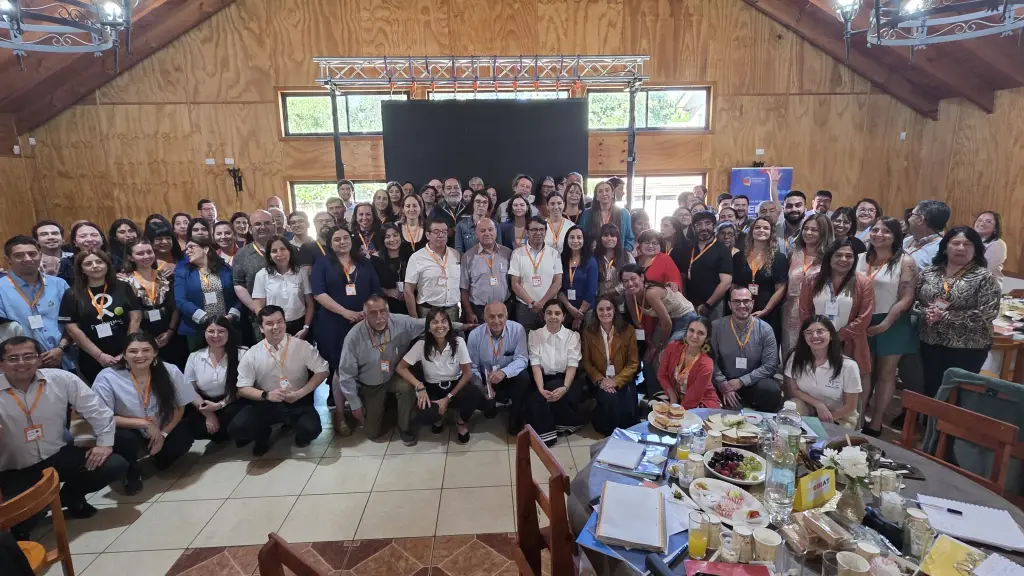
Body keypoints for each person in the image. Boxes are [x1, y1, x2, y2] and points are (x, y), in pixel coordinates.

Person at [0, 336, 129, 535]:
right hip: (15, 468)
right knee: (20, 522)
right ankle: (38, 509)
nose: (22, 363)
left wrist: (104, 443)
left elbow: (98, 412)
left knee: (113, 465)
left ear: (39, 358)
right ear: (2, 363)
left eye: (28, 356)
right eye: (13, 358)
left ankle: (70, 496)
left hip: (56, 454)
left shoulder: (61, 379)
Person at [93, 332, 196, 494]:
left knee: (185, 435)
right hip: (129, 428)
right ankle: (130, 471)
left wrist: (163, 434)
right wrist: (144, 423)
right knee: (123, 439)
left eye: (146, 350)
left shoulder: (170, 370)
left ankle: (158, 456)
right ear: (124, 355)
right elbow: (102, 417)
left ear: (155, 352)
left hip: (161, 426)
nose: (139, 355)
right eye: (133, 351)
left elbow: (179, 407)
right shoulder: (107, 377)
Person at [336, 296, 442, 444]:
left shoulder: (400, 322)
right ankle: (380, 409)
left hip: (393, 376)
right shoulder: (354, 337)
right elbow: (346, 374)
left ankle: (404, 427)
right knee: (372, 433)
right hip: (370, 384)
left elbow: (431, 324)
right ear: (365, 315)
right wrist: (355, 404)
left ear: (388, 311)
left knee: (407, 387)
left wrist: (462, 326)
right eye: (373, 313)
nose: (379, 317)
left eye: (383, 311)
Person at [230, 306, 330, 455]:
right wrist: (266, 395)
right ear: (261, 328)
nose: (276, 327)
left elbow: (323, 370)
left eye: (280, 322)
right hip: (266, 402)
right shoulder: (252, 354)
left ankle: (297, 431)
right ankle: (263, 435)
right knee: (237, 427)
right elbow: (242, 388)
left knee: (311, 429)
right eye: (269, 323)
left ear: (285, 323)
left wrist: (300, 393)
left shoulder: (301, 346)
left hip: (297, 399)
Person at [915, 226, 1001, 398]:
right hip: (930, 341)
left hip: (967, 346)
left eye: (967, 244)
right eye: (955, 243)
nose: (961, 248)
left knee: (960, 394)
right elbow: (914, 302)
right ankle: (930, 424)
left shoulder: (985, 277)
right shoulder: (929, 273)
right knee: (932, 388)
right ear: (946, 247)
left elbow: (988, 313)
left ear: (976, 249)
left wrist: (945, 316)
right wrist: (926, 312)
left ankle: (951, 425)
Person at [857, 217, 918, 437]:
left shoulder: (905, 262)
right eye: (875, 230)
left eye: (886, 231)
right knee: (863, 371)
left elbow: (906, 297)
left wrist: (886, 323)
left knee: (886, 373)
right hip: (863, 319)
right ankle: (858, 415)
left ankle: (876, 422)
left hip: (892, 321)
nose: (879, 234)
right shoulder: (859, 259)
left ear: (895, 236)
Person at [311, 226, 382, 398]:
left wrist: (367, 311)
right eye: (337, 239)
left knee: (365, 362)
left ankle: (362, 403)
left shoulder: (363, 262)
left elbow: (375, 290)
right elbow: (319, 294)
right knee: (340, 365)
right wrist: (345, 312)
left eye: (345, 238)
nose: (342, 242)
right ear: (330, 243)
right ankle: (340, 411)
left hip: (364, 321)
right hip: (334, 323)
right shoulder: (322, 263)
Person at [397, 308, 482, 444]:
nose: (440, 326)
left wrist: (448, 398)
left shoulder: (459, 342)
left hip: (455, 386)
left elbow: (467, 373)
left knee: (474, 394)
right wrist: (419, 385)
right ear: (429, 328)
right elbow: (401, 368)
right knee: (425, 416)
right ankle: (439, 417)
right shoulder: (421, 345)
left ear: (449, 325)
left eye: (444, 321)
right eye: (435, 322)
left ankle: (460, 421)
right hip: (433, 387)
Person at [61, 249, 142, 384]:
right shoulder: (72, 294)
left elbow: (136, 318)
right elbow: (72, 329)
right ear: (81, 269)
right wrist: (99, 356)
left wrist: (128, 350)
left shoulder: (123, 287)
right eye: (88, 264)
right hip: (91, 357)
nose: (95, 266)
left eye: (99, 262)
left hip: (127, 352)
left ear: (107, 265)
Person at [799, 238, 874, 382]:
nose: (844, 259)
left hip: (851, 341)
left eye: (849, 256)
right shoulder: (811, 281)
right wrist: (818, 335)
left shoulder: (863, 283)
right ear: (829, 257)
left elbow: (864, 317)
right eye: (838, 255)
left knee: (852, 382)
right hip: (816, 341)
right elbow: (804, 312)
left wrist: (838, 337)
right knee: (817, 380)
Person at [621, 263, 696, 394]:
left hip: (685, 319)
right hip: (667, 321)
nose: (630, 284)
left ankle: (671, 396)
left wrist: (660, 346)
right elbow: (637, 322)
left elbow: (666, 324)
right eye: (625, 281)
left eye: (633, 279)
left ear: (642, 277)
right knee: (647, 359)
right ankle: (654, 395)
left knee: (664, 356)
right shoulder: (629, 294)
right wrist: (650, 344)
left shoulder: (651, 293)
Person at [0, 236, 71, 369]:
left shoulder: (59, 284)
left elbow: (72, 322)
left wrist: (61, 348)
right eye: (19, 255)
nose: (27, 259)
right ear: (8, 260)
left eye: (32, 254)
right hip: (22, 366)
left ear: (40, 255)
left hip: (63, 358)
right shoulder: (1, 288)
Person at [711, 287, 782, 412]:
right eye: (737, 301)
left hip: (754, 381)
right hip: (726, 381)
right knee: (731, 414)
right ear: (729, 305)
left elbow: (770, 365)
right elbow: (711, 360)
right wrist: (723, 384)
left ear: (753, 303)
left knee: (771, 390)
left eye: (746, 301)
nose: (742, 305)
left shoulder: (765, 329)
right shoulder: (716, 327)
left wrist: (742, 381)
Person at [784, 316, 861, 428]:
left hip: (839, 416)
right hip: (808, 407)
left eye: (820, 331)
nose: (814, 336)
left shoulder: (848, 366)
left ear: (831, 336)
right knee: (790, 414)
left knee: (825, 442)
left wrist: (824, 420)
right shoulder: (796, 357)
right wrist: (818, 404)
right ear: (803, 337)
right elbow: (795, 390)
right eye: (809, 332)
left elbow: (851, 405)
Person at [466, 301, 531, 434]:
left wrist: (503, 372)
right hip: (486, 379)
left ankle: (515, 415)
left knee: (524, 378)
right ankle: (490, 404)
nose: (496, 321)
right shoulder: (475, 335)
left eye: (500, 316)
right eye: (492, 316)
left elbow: (522, 359)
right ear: (484, 318)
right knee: (484, 403)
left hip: (507, 376)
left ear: (506, 316)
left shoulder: (517, 330)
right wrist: (482, 387)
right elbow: (472, 368)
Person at [119, 239, 184, 368]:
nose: (146, 256)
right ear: (130, 257)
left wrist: (170, 332)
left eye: (149, 252)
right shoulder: (123, 281)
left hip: (170, 334)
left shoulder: (166, 277)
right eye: (140, 253)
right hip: (141, 338)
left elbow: (176, 307)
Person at [526, 300, 583, 446]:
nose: (553, 317)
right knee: (537, 398)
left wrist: (565, 387)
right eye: (549, 313)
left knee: (549, 395)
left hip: (567, 379)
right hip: (542, 379)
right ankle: (550, 433)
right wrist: (540, 388)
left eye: (557, 313)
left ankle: (549, 433)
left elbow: (572, 365)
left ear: (563, 317)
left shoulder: (572, 336)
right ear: (544, 316)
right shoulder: (535, 335)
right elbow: (536, 365)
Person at [580, 296, 639, 436]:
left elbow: (633, 363)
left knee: (628, 418)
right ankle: (606, 429)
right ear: (596, 312)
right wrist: (601, 381)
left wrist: (615, 381)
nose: (605, 313)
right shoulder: (588, 332)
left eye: (608, 309)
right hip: (600, 380)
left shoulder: (628, 330)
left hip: (622, 378)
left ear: (614, 311)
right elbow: (586, 362)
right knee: (610, 401)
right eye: (601, 309)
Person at [183, 316, 247, 442]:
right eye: (211, 331)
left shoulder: (242, 353)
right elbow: (190, 390)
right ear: (204, 333)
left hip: (233, 401)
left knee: (240, 424)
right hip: (206, 403)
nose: (216, 335)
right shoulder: (194, 357)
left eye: (221, 331)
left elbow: (244, 388)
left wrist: (220, 405)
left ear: (229, 332)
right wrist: (208, 413)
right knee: (193, 428)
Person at [174, 237, 240, 350]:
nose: (187, 251)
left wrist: (232, 315)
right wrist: (206, 319)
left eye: (191, 247)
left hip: (227, 326)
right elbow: (181, 301)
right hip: (197, 329)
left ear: (205, 249)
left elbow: (238, 295)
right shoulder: (183, 272)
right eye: (186, 249)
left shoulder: (225, 269)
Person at [782, 213, 833, 359]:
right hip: (790, 311)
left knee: (814, 354)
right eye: (806, 228)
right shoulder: (794, 253)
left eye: (814, 230)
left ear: (824, 232)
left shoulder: (830, 257)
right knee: (790, 352)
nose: (808, 233)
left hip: (816, 311)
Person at [731, 217, 788, 342]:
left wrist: (766, 310)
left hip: (768, 311)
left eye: (766, 228)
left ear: (771, 232)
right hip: (741, 310)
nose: (761, 230)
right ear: (751, 231)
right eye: (757, 227)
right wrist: (736, 307)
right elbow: (734, 284)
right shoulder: (738, 257)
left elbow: (781, 289)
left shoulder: (779, 258)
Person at [252, 235, 313, 338]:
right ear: (269, 255)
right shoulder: (262, 275)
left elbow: (310, 304)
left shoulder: (301, 273)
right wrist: (268, 326)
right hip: (273, 328)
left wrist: (305, 327)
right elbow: (258, 307)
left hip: (298, 326)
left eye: (283, 249)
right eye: (274, 251)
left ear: (289, 251)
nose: (279, 254)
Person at [510, 216, 563, 329]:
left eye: (541, 229)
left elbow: (557, 282)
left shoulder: (554, 254)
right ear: (527, 232)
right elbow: (515, 284)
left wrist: (543, 303)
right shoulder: (517, 254)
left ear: (545, 231)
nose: (538, 233)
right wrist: (532, 303)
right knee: (526, 342)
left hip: (549, 308)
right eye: (534, 230)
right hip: (525, 307)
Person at [657, 317, 721, 409]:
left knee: (684, 421)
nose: (694, 336)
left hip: (700, 401)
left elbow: (693, 399)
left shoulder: (707, 364)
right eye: (691, 330)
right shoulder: (673, 347)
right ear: (686, 332)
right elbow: (662, 375)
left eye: (701, 333)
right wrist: (673, 398)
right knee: (654, 405)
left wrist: (676, 413)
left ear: (707, 338)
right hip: (676, 395)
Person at [404, 219, 461, 321]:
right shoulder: (417, 257)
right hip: (428, 311)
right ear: (427, 235)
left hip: (452, 311)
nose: (441, 235)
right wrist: (414, 318)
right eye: (436, 232)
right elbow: (408, 291)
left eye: (444, 232)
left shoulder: (456, 255)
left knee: (454, 337)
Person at [232, 210, 275, 340]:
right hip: (258, 317)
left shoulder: (286, 249)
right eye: (257, 224)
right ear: (250, 229)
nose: (262, 227)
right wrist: (258, 310)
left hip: (289, 314)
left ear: (274, 226)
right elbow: (238, 284)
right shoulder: (242, 254)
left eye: (267, 223)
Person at [460, 218, 511, 323]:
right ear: (476, 234)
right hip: (479, 311)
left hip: (504, 308)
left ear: (496, 231)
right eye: (483, 231)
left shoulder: (507, 253)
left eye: (490, 229)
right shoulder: (468, 257)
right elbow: (464, 289)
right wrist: (469, 312)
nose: (487, 233)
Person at [686, 211, 733, 319]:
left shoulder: (722, 250)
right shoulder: (689, 248)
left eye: (707, 223)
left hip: (713, 305)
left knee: (713, 335)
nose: (703, 227)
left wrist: (707, 304)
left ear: (714, 226)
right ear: (694, 228)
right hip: (690, 306)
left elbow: (726, 282)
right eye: (699, 224)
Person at [559, 226, 598, 330]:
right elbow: (559, 287)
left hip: (586, 310)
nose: (575, 241)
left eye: (579, 237)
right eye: (572, 237)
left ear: (584, 240)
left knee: (586, 342)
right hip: (566, 309)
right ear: (567, 240)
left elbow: (591, 291)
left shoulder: (591, 261)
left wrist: (579, 315)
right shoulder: (562, 260)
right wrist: (570, 308)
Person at [580, 180, 635, 252]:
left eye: (607, 190)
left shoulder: (624, 213)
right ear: (596, 196)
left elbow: (629, 238)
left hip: (618, 257)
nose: (604, 193)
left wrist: (624, 253)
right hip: (594, 256)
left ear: (612, 194)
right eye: (600, 191)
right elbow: (581, 235)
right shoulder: (587, 214)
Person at [375, 223, 411, 314]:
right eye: (387, 237)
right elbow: (372, 284)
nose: (392, 239)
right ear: (382, 239)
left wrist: (409, 290)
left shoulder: (410, 255)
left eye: (395, 235)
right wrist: (386, 291)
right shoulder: (375, 259)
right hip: (387, 306)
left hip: (409, 302)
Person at [904, 200, 950, 270]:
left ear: (920, 220)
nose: (909, 219)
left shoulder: (941, 249)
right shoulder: (907, 240)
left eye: (911, 215)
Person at [594, 223, 634, 295]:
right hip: (598, 298)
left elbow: (633, 278)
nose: (609, 239)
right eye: (605, 236)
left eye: (613, 236)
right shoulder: (593, 256)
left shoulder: (627, 256)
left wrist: (613, 291)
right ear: (600, 238)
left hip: (622, 299)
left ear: (618, 239)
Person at [974, 211, 1005, 286]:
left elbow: (986, 270)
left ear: (996, 228)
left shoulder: (997, 244)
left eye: (988, 221)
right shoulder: (970, 241)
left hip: (987, 288)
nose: (982, 223)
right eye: (979, 220)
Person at [433, 177, 469, 241]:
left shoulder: (470, 207)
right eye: (449, 188)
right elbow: (431, 231)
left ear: (461, 190)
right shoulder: (437, 209)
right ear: (443, 192)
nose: (453, 191)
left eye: (456, 187)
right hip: (445, 247)